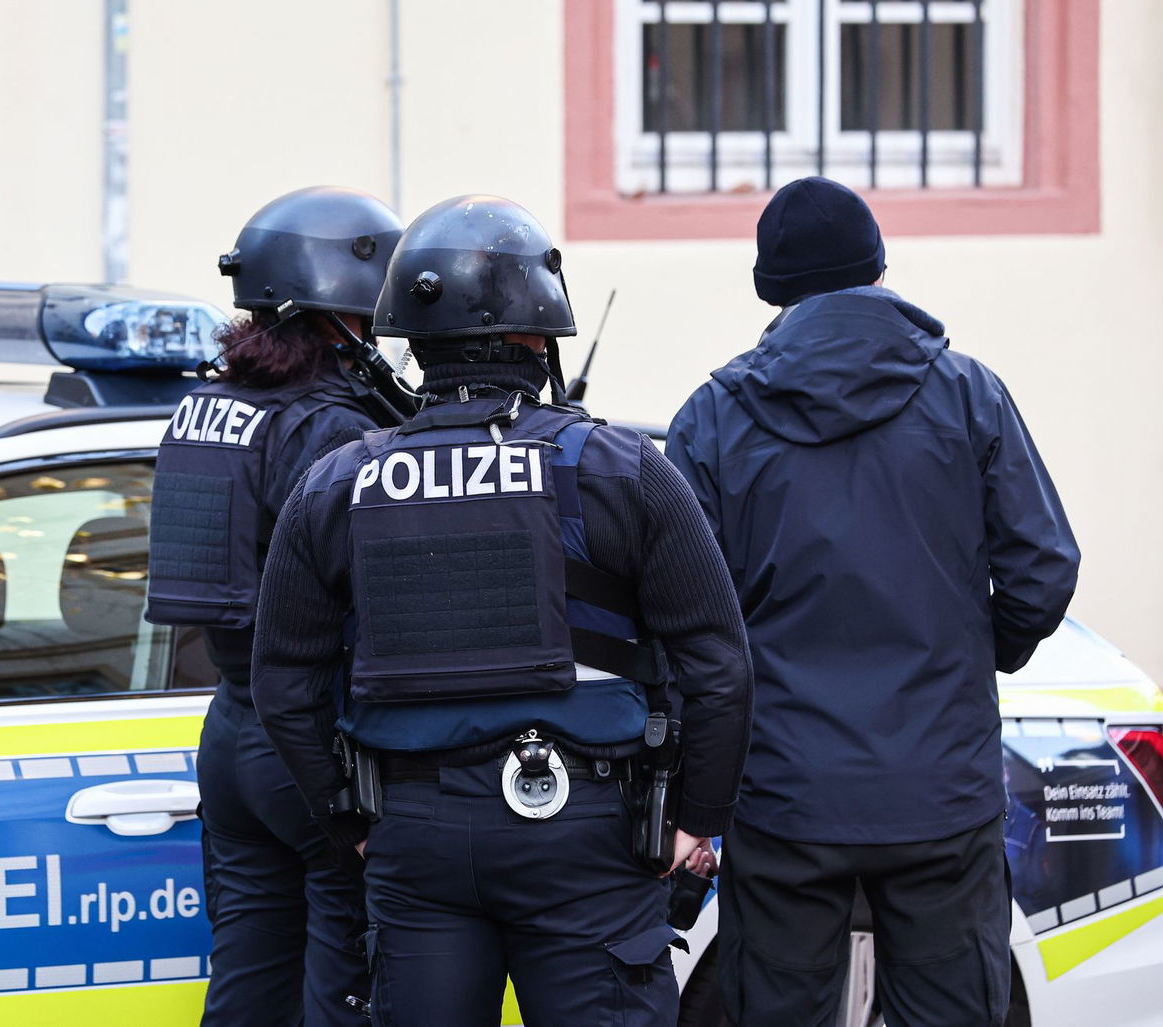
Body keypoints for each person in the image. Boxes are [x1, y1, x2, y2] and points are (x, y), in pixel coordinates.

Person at [251, 195, 753, 1025]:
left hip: (415, 836)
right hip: (588, 831)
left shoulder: (339, 482)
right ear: (538, 335)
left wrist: (352, 821)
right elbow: (719, 662)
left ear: (412, 341)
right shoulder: (622, 468)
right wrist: (696, 821)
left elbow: (282, 682)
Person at [665, 176, 1080, 1027]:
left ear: (771, 290)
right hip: (940, 791)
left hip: (783, 797)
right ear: (881, 269)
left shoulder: (712, 418)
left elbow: (680, 623)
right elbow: (1044, 571)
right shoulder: (969, 395)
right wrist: (971, 654)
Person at [144, 186, 404, 1027]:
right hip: (316, 740)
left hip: (233, 735)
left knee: (248, 987)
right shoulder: (332, 429)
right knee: (345, 991)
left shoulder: (210, 408)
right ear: (343, 311)